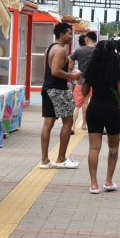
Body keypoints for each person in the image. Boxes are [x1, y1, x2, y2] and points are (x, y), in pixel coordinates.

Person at [81, 40, 120, 193]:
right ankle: (108, 181)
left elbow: (84, 92)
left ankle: (93, 184)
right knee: (113, 146)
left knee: (94, 147)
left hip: (94, 108)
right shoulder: (117, 70)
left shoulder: (92, 69)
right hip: (112, 109)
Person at [39, 22, 82, 170]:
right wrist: (72, 75)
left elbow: (47, 71)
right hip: (58, 90)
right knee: (68, 122)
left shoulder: (49, 48)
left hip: (47, 89)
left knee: (48, 124)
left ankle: (44, 160)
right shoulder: (60, 50)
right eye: (69, 33)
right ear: (62, 34)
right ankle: (61, 158)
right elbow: (55, 71)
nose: (71, 37)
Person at [69, 32, 97, 130]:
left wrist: (71, 71)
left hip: (81, 81)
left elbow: (70, 59)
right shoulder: (97, 51)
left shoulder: (79, 50)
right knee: (87, 103)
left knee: (77, 105)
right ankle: (85, 125)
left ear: (87, 39)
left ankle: (72, 126)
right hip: (94, 82)